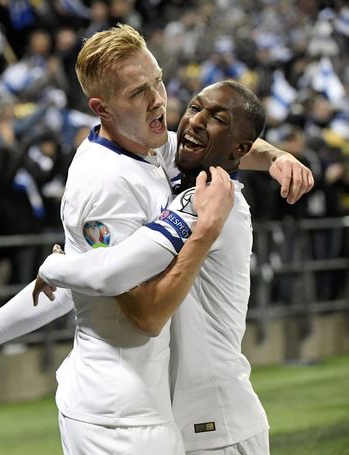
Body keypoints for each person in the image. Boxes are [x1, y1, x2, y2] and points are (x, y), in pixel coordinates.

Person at [0, 24, 313, 453]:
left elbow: (87, 282)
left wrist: (277, 156)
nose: (159, 99)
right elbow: (139, 308)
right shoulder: (111, 186)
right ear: (102, 108)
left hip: (201, 418)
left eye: (158, 80)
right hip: (123, 421)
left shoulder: (166, 156)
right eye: (138, 92)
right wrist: (67, 269)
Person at [35, 80, 270, 453]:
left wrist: (62, 266)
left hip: (220, 426)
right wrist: (279, 158)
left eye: (217, 119)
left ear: (240, 148)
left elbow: (143, 309)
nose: (194, 122)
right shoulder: (172, 175)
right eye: (194, 108)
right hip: (184, 423)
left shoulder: (214, 204)